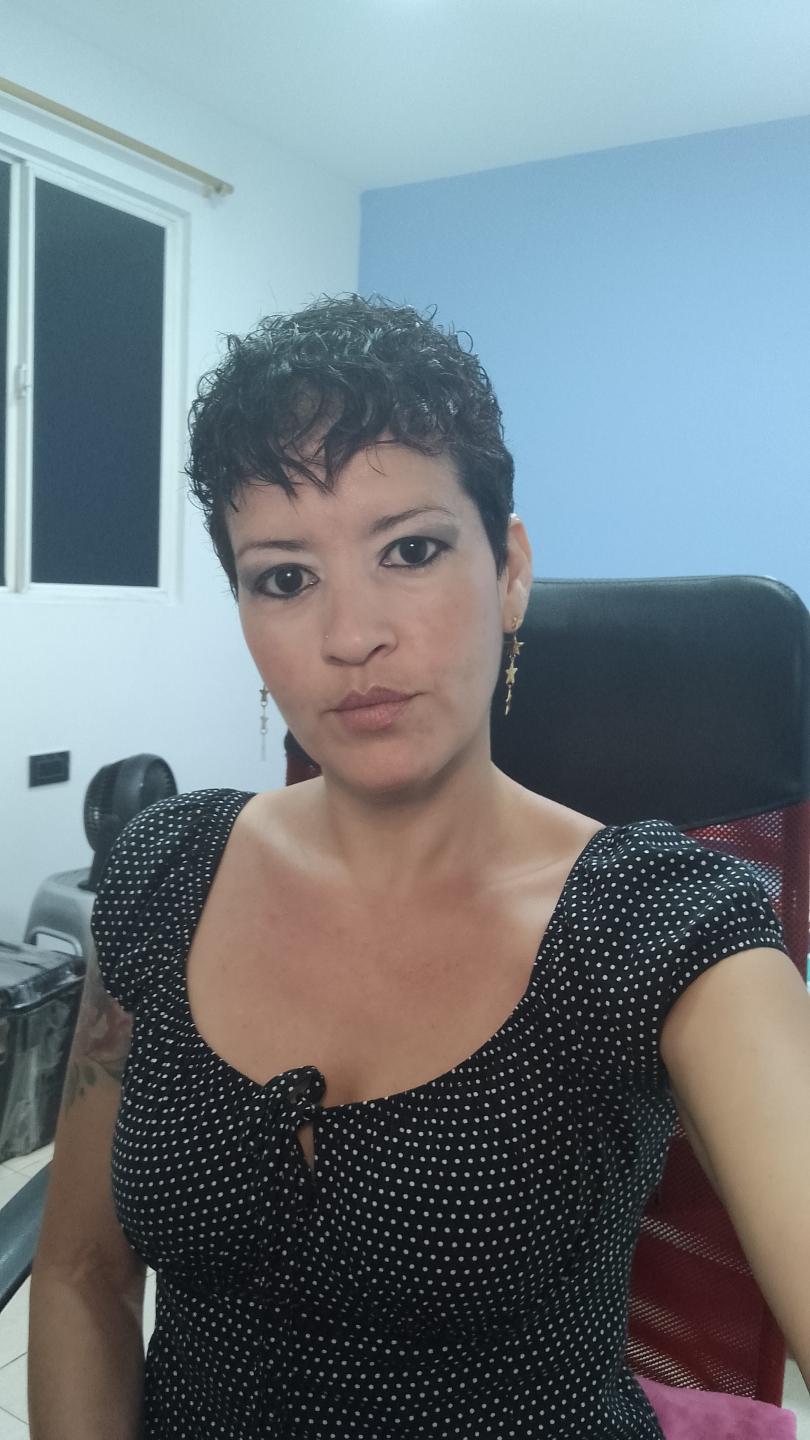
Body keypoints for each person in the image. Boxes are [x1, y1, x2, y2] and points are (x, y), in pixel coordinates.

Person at [27, 294, 810, 1438]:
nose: (351, 635)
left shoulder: (665, 928)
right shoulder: (164, 869)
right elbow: (82, 1274)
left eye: (411, 550)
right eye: (284, 576)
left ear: (509, 571)